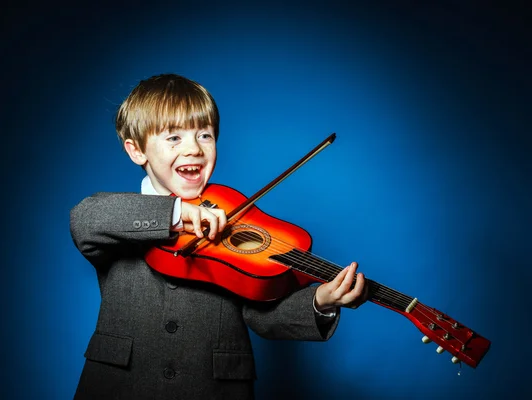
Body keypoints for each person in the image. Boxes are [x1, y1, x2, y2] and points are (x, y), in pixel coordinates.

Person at [70, 73, 368, 399]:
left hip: (212, 388)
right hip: (120, 386)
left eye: (205, 135)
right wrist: (177, 213)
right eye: (173, 138)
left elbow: (261, 312)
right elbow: (86, 218)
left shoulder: (233, 216)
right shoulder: (115, 219)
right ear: (136, 150)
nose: (193, 149)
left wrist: (321, 301)